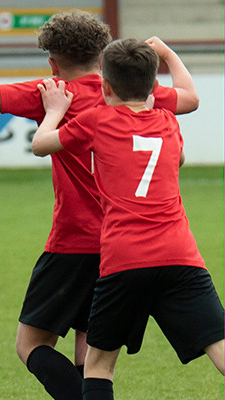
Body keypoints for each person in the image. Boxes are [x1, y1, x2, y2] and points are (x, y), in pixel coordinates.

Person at [0, 10, 198, 399]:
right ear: (104, 55)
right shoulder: (128, 93)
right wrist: (169, 58)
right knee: (91, 355)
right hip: (124, 245)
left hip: (73, 242)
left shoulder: (54, 92)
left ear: (53, 62)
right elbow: (188, 100)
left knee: (31, 345)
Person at [32, 38, 225, 400]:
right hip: (180, 256)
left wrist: (55, 110)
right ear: (153, 87)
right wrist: (167, 54)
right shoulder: (168, 121)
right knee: (221, 348)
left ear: (105, 86)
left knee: (99, 365)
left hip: (124, 259)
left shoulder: (96, 119)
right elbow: (182, 133)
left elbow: (41, 144)